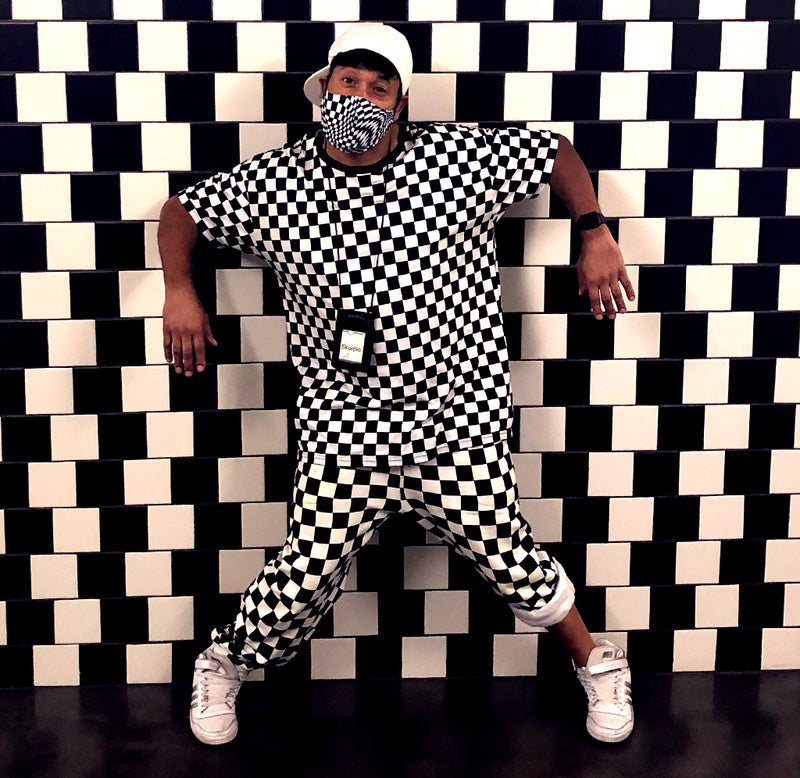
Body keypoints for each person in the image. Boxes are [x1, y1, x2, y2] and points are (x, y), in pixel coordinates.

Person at [158, 23, 636, 746]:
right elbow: (181, 212)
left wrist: (594, 231)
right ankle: (223, 663)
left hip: (456, 411)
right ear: (323, 90)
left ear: (402, 103)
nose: (360, 96)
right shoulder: (274, 183)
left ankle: (596, 660)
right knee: (307, 567)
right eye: (348, 81)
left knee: (508, 553)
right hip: (344, 422)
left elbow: (558, 152)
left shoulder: (460, 159)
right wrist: (179, 289)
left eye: (379, 87)